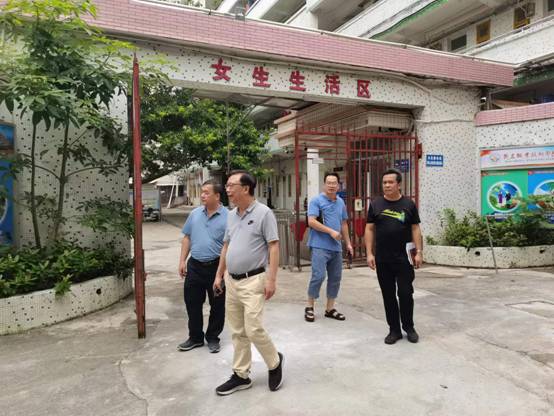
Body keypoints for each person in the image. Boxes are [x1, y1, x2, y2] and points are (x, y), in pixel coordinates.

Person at [213, 170, 283, 395]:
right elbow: (226, 246)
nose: (227, 189)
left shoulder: (264, 213)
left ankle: (274, 362)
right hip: (232, 281)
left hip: (254, 280)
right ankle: (241, 375)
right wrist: (219, 275)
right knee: (237, 331)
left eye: (231, 185)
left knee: (253, 328)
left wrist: (271, 279)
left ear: (245, 188)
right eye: (227, 185)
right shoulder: (231, 215)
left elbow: (273, 246)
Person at [364, 168, 423, 345]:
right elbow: (369, 228)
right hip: (383, 258)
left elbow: (415, 228)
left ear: (399, 184)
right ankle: (394, 330)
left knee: (405, 293)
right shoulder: (376, 204)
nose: (387, 185)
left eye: (390, 182)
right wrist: (369, 253)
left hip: (404, 258)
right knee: (388, 295)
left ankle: (409, 327)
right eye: (384, 182)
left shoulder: (408, 204)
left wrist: (419, 252)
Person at [177, 180, 227, 353]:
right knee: (192, 303)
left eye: (206, 192)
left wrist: (222, 272)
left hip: (216, 267)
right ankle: (195, 337)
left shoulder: (229, 216)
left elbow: (229, 245)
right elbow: (187, 238)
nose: (202, 195)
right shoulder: (195, 213)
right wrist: (182, 261)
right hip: (194, 266)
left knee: (217, 305)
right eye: (202, 192)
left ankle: (212, 337)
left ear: (217, 196)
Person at [304, 172, 353, 323]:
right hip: (319, 245)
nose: (331, 185)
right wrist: (331, 231)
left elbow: (344, 224)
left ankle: (330, 308)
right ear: (324, 184)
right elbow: (311, 221)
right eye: (329, 183)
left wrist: (348, 243)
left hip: (336, 247)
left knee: (335, 278)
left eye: (334, 183)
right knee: (318, 276)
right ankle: (309, 306)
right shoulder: (316, 201)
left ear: (338, 185)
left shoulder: (340, 202)